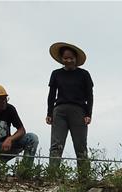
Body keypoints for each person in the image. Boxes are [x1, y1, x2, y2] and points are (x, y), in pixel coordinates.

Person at [46, 41, 93, 175]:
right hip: (59, 111)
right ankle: (52, 175)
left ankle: (84, 178)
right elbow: (51, 95)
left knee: (80, 146)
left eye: (71, 58)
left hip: (79, 111)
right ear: (61, 59)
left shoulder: (84, 74)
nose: (68, 60)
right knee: (56, 145)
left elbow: (89, 96)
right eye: (66, 58)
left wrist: (88, 114)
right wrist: (49, 113)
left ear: (76, 59)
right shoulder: (56, 74)